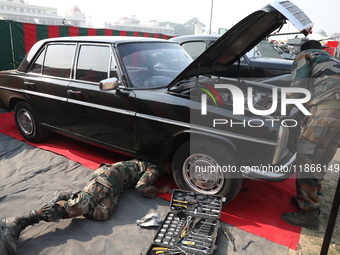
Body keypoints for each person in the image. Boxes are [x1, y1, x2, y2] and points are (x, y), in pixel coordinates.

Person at [1, 159, 172, 255]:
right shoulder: (155, 168)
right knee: (80, 206)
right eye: (171, 167)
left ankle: (70, 197)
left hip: (114, 184)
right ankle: (20, 221)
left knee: (103, 214)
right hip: (109, 177)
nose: (171, 170)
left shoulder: (147, 165)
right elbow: (142, 187)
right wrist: (159, 189)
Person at [281, 40, 340, 230]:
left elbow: (298, 89)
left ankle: (310, 213)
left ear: (302, 49)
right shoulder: (330, 58)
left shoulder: (305, 56)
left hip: (326, 112)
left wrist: (280, 109)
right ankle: (310, 196)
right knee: (321, 157)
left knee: (307, 157)